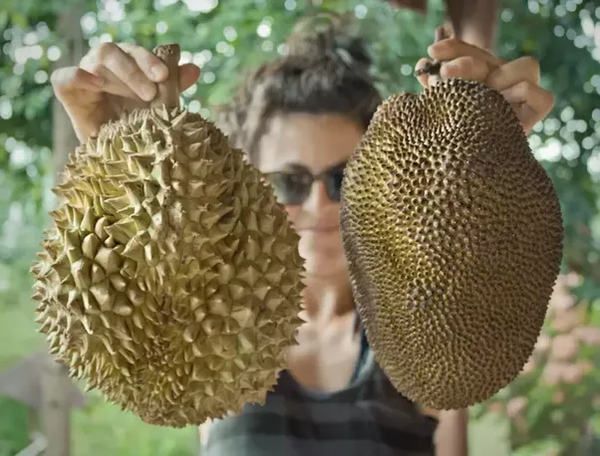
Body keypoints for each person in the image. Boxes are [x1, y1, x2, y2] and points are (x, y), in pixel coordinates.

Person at [50, 10, 554, 456]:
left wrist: (477, 163)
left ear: (388, 179)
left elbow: (466, 269)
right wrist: (124, 165)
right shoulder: (213, 324)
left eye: (345, 176)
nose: (320, 204)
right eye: (288, 182)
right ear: (243, 188)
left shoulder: (422, 323)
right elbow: (137, 316)